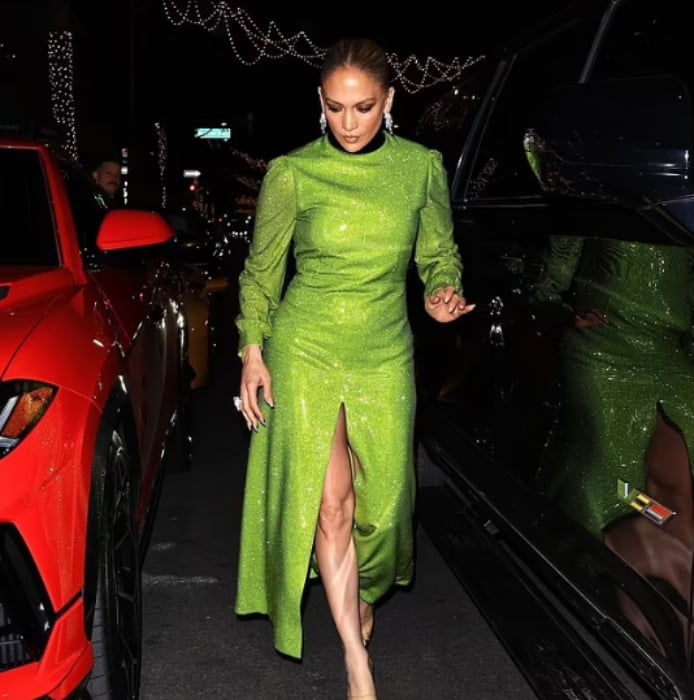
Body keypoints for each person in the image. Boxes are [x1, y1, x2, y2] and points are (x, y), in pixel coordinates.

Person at [233, 37, 474, 698]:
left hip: (384, 351)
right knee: (332, 504)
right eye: (336, 107)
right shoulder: (292, 173)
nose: (348, 122)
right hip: (304, 347)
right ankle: (355, 662)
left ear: (388, 101)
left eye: (363, 107)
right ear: (320, 102)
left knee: (387, 508)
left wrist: (441, 291)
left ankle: (364, 593)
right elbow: (261, 273)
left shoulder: (421, 168)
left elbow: (439, 253)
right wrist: (253, 351)